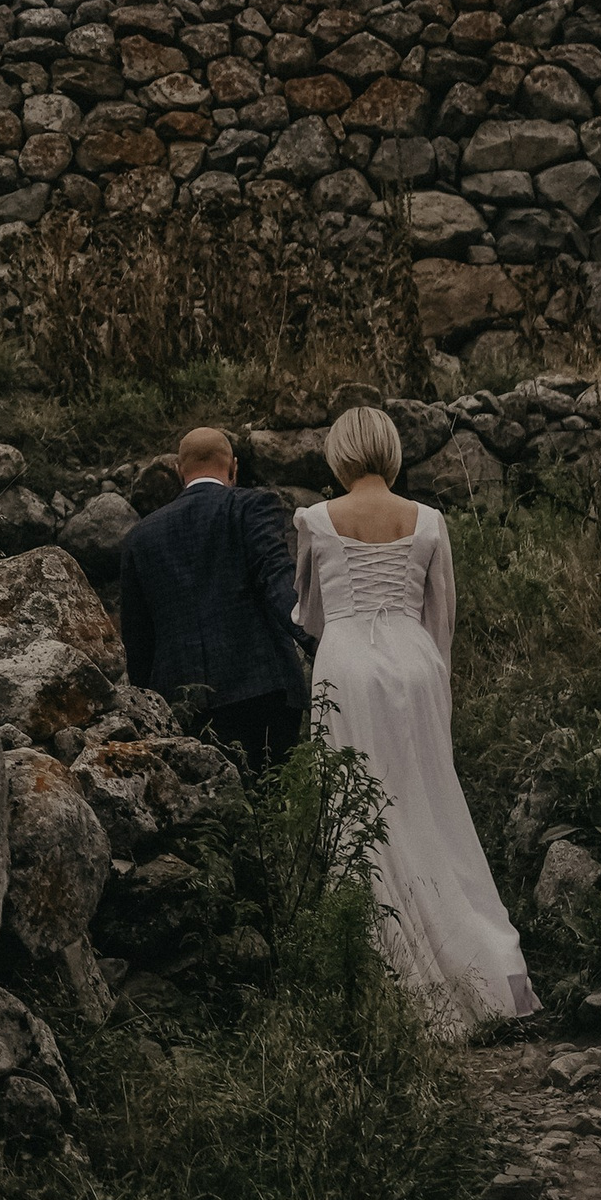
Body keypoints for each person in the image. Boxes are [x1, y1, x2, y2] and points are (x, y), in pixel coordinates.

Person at [293, 403, 538, 1032]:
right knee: (428, 800)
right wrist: (434, 683)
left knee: (355, 806)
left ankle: (381, 971)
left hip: (347, 662)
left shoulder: (315, 519)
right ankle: (471, 954)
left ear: (340, 451)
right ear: (393, 449)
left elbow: (311, 615)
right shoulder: (428, 520)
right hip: (416, 660)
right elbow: (442, 616)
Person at [115, 425, 310, 765]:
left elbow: (137, 638)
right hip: (263, 689)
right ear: (234, 466)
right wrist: (318, 641)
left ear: (179, 471)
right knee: (274, 804)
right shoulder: (253, 507)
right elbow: (278, 581)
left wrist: (146, 707)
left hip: (183, 704)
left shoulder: (139, 538)